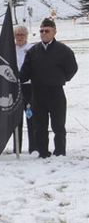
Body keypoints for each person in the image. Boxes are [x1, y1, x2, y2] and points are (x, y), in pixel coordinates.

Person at [19, 18, 77, 158]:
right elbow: (25, 72)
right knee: (39, 125)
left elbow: (72, 68)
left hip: (56, 91)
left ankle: (60, 152)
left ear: (54, 32)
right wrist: (16, 78)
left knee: (58, 125)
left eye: (47, 31)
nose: (43, 33)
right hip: (37, 92)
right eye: (41, 31)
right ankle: (43, 151)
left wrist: (61, 79)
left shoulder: (63, 50)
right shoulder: (33, 51)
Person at [13, 25, 35, 153]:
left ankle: (34, 146)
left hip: (29, 87)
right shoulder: (11, 49)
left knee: (30, 116)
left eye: (22, 34)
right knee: (16, 119)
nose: (20, 37)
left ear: (26, 36)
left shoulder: (32, 49)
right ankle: (17, 147)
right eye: (17, 35)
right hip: (15, 87)